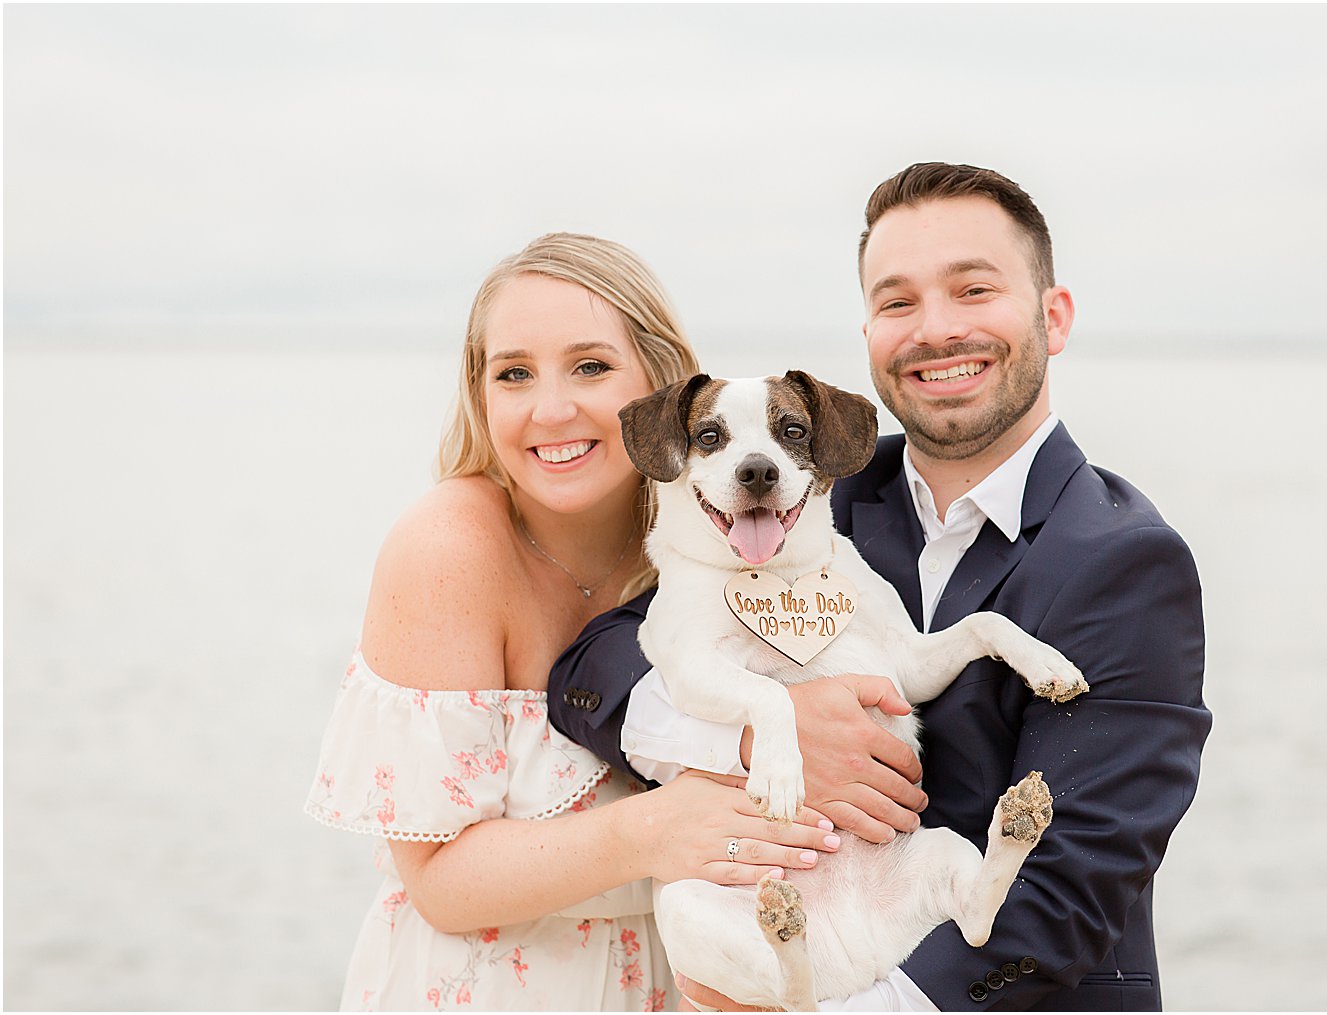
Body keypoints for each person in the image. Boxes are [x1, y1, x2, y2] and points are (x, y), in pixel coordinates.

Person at [548, 164, 1212, 1011]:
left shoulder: (1126, 562)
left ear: (1053, 316)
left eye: (973, 289)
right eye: (898, 302)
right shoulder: (811, 500)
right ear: (868, 332)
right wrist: (750, 739)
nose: (935, 329)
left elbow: (1069, 890)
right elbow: (592, 671)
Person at [303, 233, 841, 1012]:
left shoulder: (729, 534)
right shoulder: (448, 548)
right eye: (513, 373)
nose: (551, 409)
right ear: (479, 393)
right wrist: (653, 830)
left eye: (590, 366)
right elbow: (439, 883)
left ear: (661, 385)